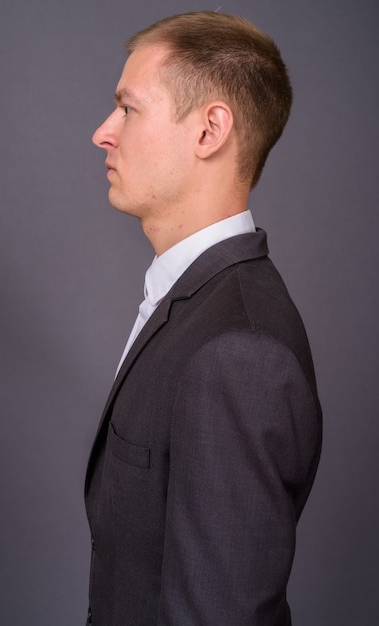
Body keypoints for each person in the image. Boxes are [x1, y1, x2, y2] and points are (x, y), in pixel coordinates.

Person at [85, 11, 322, 626]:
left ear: (210, 130)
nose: (103, 133)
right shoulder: (194, 303)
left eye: (129, 109)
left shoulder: (241, 352)